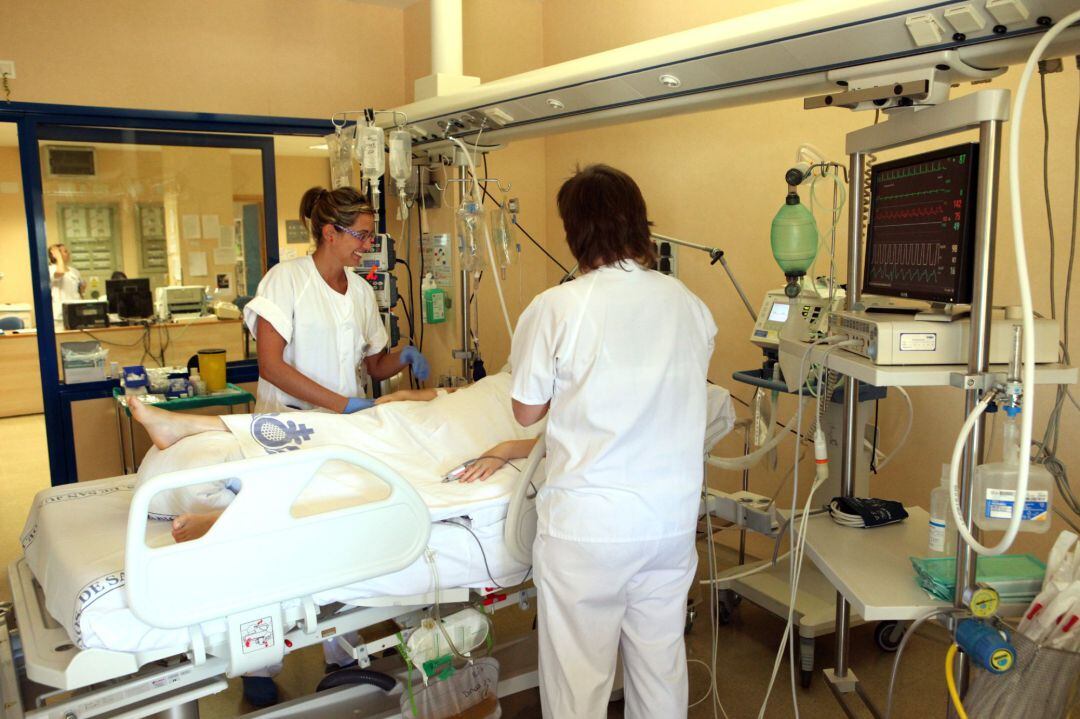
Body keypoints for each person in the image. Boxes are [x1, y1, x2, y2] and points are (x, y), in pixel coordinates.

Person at [509, 164, 716, 718]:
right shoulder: (689, 304)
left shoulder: (558, 307)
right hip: (668, 524)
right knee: (659, 664)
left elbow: (526, 412)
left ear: (574, 230)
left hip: (590, 530)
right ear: (637, 222)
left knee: (579, 681)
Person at [128, 386, 538, 543]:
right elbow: (473, 391)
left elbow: (556, 444)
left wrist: (502, 449)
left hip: (441, 446)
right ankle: (185, 424)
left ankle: (231, 518)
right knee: (317, 430)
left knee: (353, 474)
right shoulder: (521, 375)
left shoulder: (580, 403)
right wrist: (421, 393)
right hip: (414, 422)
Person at [244, 186, 429, 413]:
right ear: (330, 233)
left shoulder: (361, 291)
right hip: (291, 425)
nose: (368, 245)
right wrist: (342, 404)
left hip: (346, 423)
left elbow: (376, 366)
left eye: (370, 236)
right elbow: (271, 367)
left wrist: (405, 356)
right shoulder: (286, 279)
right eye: (362, 235)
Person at [47, 243, 84, 323]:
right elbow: (60, 272)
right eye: (65, 251)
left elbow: (81, 288)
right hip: (60, 315)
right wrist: (58, 257)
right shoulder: (51, 269)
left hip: (76, 312)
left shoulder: (74, 271)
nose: (68, 253)